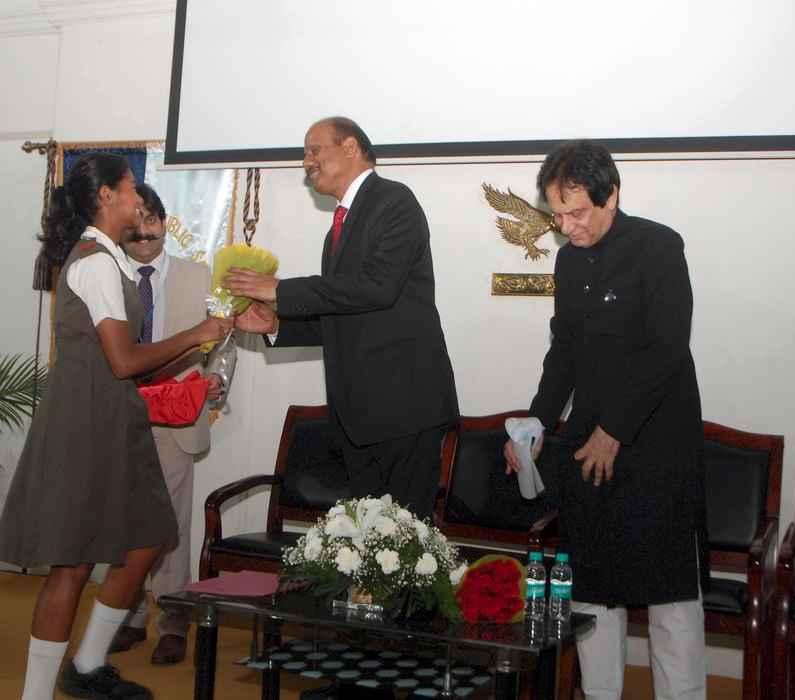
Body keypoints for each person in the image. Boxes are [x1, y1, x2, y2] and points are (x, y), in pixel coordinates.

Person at [0, 154, 230, 700]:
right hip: (84, 424)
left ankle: (86, 665)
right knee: (74, 564)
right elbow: (125, 360)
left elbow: (128, 366)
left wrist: (202, 350)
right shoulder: (96, 263)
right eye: (129, 187)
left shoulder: (110, 259)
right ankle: (37, 693)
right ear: (105, 196)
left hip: (113, 418)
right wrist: (197, 333)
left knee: (149, 537)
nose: (136, 196)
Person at [505, 140, 708, 700]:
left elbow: (667, 348)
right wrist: (537, 422)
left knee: (671, 602)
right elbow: (564, 351)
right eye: (557, 216)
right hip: (589, 446)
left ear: (611, 195)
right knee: (593, 595)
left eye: (576, 213)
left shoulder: (659, 247)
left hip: (658, 445)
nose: (566, 228)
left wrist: (614, 430)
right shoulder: (568, 260)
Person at [226, 116, 459, 519]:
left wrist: (279, 290)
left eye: (314, 150)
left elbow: (377, 288)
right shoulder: (337, 229)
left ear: (350, 147)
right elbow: (343, 316)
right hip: (358, 419)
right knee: (365, 544)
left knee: (405, 543)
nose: (306, 162)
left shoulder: (394, 201)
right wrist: (277, 325)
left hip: (404, 410)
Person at [104, 183, 221, 666]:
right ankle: (127, 617)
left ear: (165, 223)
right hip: (121, 416)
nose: (145, 233)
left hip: (177, 416)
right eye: (136, 225)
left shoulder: (200, 276)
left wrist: (216, 381)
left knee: (170, 521)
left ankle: (173, 620)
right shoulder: (107, 277)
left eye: (152, 221)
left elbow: (221, 342)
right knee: (123, 520)